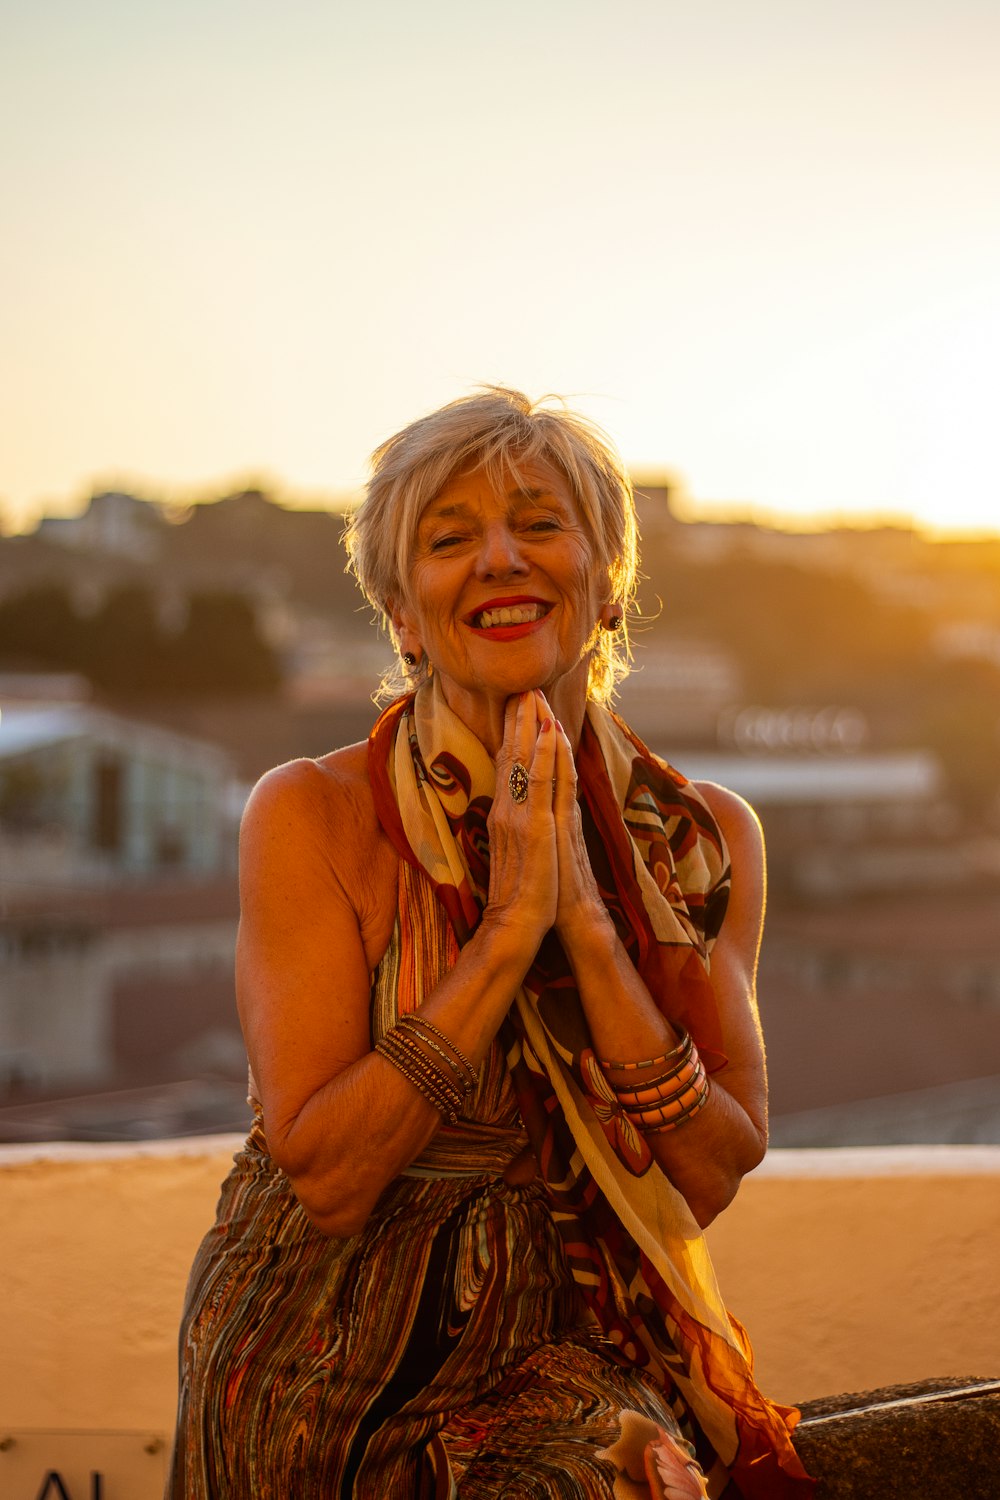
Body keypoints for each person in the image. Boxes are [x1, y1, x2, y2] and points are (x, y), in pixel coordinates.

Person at [167, 388, 814, 1499]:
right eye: (449, 538)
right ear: (403, 615)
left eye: (539, 524)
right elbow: (323, 1174)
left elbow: (708, 1170)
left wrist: (587, 928)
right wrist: (507, 935)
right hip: (314, 1348)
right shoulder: (312, 814)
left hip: (563, 1346)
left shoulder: (704, 845)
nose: (500, 559)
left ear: (606, 582)